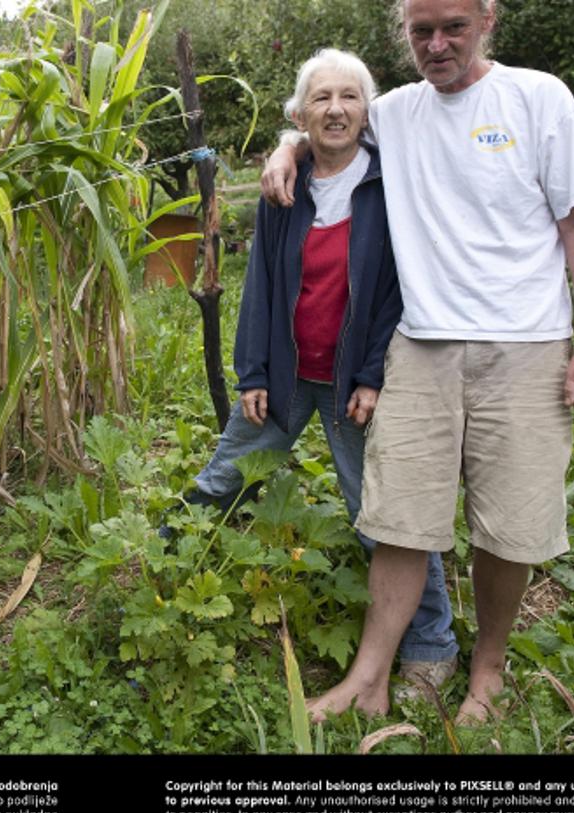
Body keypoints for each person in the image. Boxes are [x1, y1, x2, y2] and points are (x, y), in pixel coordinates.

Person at [260, 0, 574, 724]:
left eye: (453, 26)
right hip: (420, 344)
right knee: (399, 517)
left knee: (506, 525)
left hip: (527, 345)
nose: (437, 44)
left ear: (488, 18)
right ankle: (370, 676)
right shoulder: (396, 113)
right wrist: (284, 148)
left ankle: (486, 673)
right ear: (405, 32)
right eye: (421, 31)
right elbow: (330, 126)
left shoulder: (538, 97)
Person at [174, 47, 460, 699]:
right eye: (321, 98)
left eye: (349, 96)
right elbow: (261, 286)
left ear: (369, 108)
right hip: (284, 371)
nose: (335, 109)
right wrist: (251, 372)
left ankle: (429, 640)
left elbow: (393, 288)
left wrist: (370, 375)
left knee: (384, 512)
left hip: (352, 385)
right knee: (226, 472)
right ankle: (166, 558)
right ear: (300, 114)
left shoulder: (393, 182)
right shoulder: (284, 188)